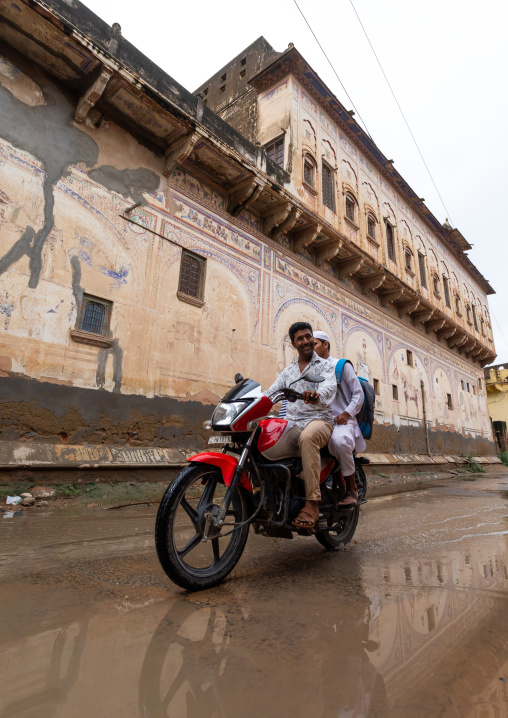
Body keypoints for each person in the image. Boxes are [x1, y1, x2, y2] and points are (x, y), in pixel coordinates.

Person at [266, 322, 336, 528]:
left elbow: (329, 387)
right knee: (262, 433)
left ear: (313, 339)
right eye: (300, 338)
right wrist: (249, 403)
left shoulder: (325, 366)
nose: (305, 341)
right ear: (293, 343)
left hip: (319, 421)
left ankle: (312, 503)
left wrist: (317, 394)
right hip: (293, 423)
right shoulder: (288, 372)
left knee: (308, 437)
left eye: (308, 336)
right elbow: (271, 392)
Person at [313, 330, 366, 507]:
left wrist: (346, 414)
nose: (311, 349)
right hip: (318, 422)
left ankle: (352, 490)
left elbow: (358, 394)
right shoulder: (309, 370)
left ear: (325, 344)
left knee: (339, 441)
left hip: (342, 421)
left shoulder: (341, 366)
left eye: (315, 344)